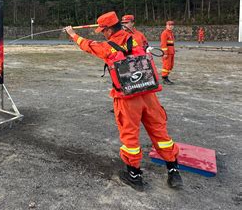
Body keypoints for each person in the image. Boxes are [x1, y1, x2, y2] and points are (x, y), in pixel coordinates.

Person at [65, 12, 182, 191]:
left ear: (110, 29)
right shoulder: (135, 37)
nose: (102, 34)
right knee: (160, 133)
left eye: (103, 30)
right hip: (148, 94)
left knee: (130, 137)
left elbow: (88, 45)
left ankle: (134, 176)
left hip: (127, 98)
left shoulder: (107, 47)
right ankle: (173, 172)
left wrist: (73, 34)